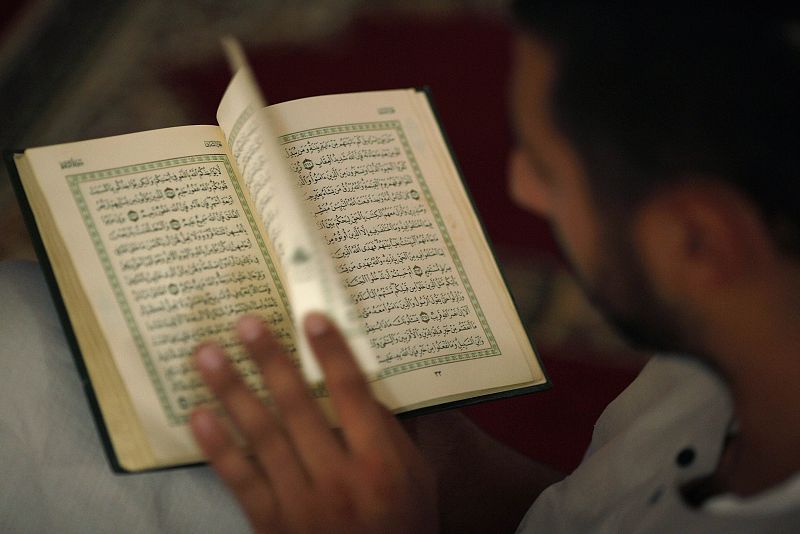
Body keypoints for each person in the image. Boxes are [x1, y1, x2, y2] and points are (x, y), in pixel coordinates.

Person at [1, 2, 798, 532]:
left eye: (549, 168)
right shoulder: (736, 341)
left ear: (699, 242)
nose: (520, 186)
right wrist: (445, 463)